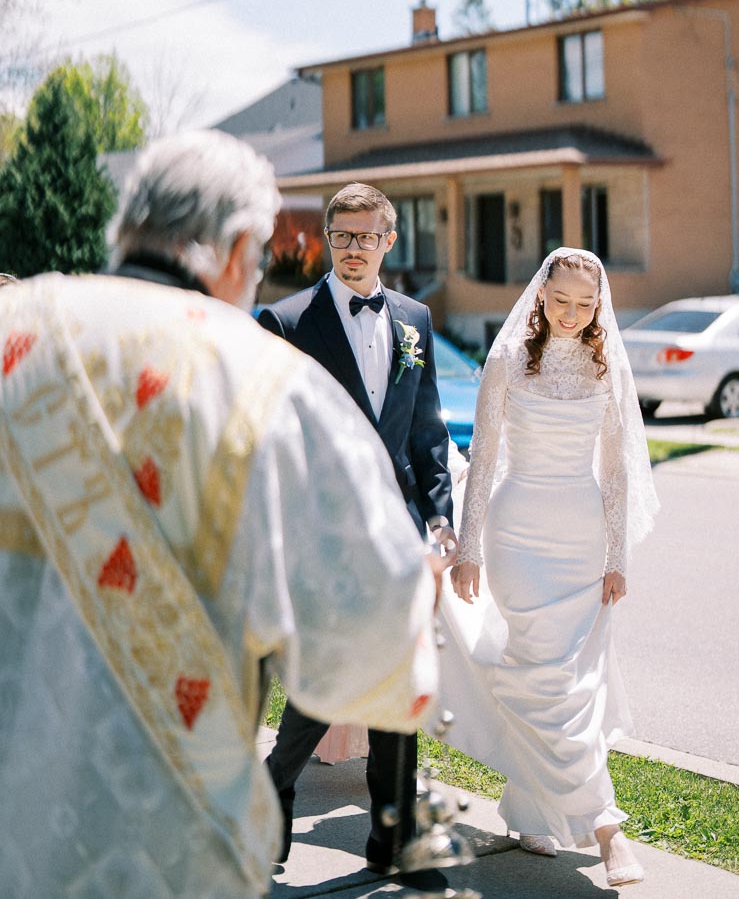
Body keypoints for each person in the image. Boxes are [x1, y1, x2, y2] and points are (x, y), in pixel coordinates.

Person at [0, 132, 439, 899]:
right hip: (157, 836)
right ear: (238, 248)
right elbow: (367, 649)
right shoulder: (264, 379)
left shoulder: (14, 324)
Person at [258, 181, 456, 883]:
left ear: (389, 241)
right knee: (325, 679)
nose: (353, 248)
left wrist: (440, 515)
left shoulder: (414, 320)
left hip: (399, 531)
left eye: (367, 236)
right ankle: (271, 793)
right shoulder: (283, 322)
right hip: (321, 532)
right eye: (342, 235)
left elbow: (427, 429)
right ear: (327, 240)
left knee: (398, 679)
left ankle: (394, 840)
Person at [447, 247, 659, 888]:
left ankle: (530, 806)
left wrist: (617, 556)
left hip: (581, 538)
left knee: (571, 681)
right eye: (561, 299)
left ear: (600, 307)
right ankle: (607, 830)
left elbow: (617, 472)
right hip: (517, 536)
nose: (571, 313)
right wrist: (469, 546)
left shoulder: (605, 368)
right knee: (546, 679)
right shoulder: (508, 360)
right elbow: (481, 459)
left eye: (585, 304)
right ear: (540, 295)